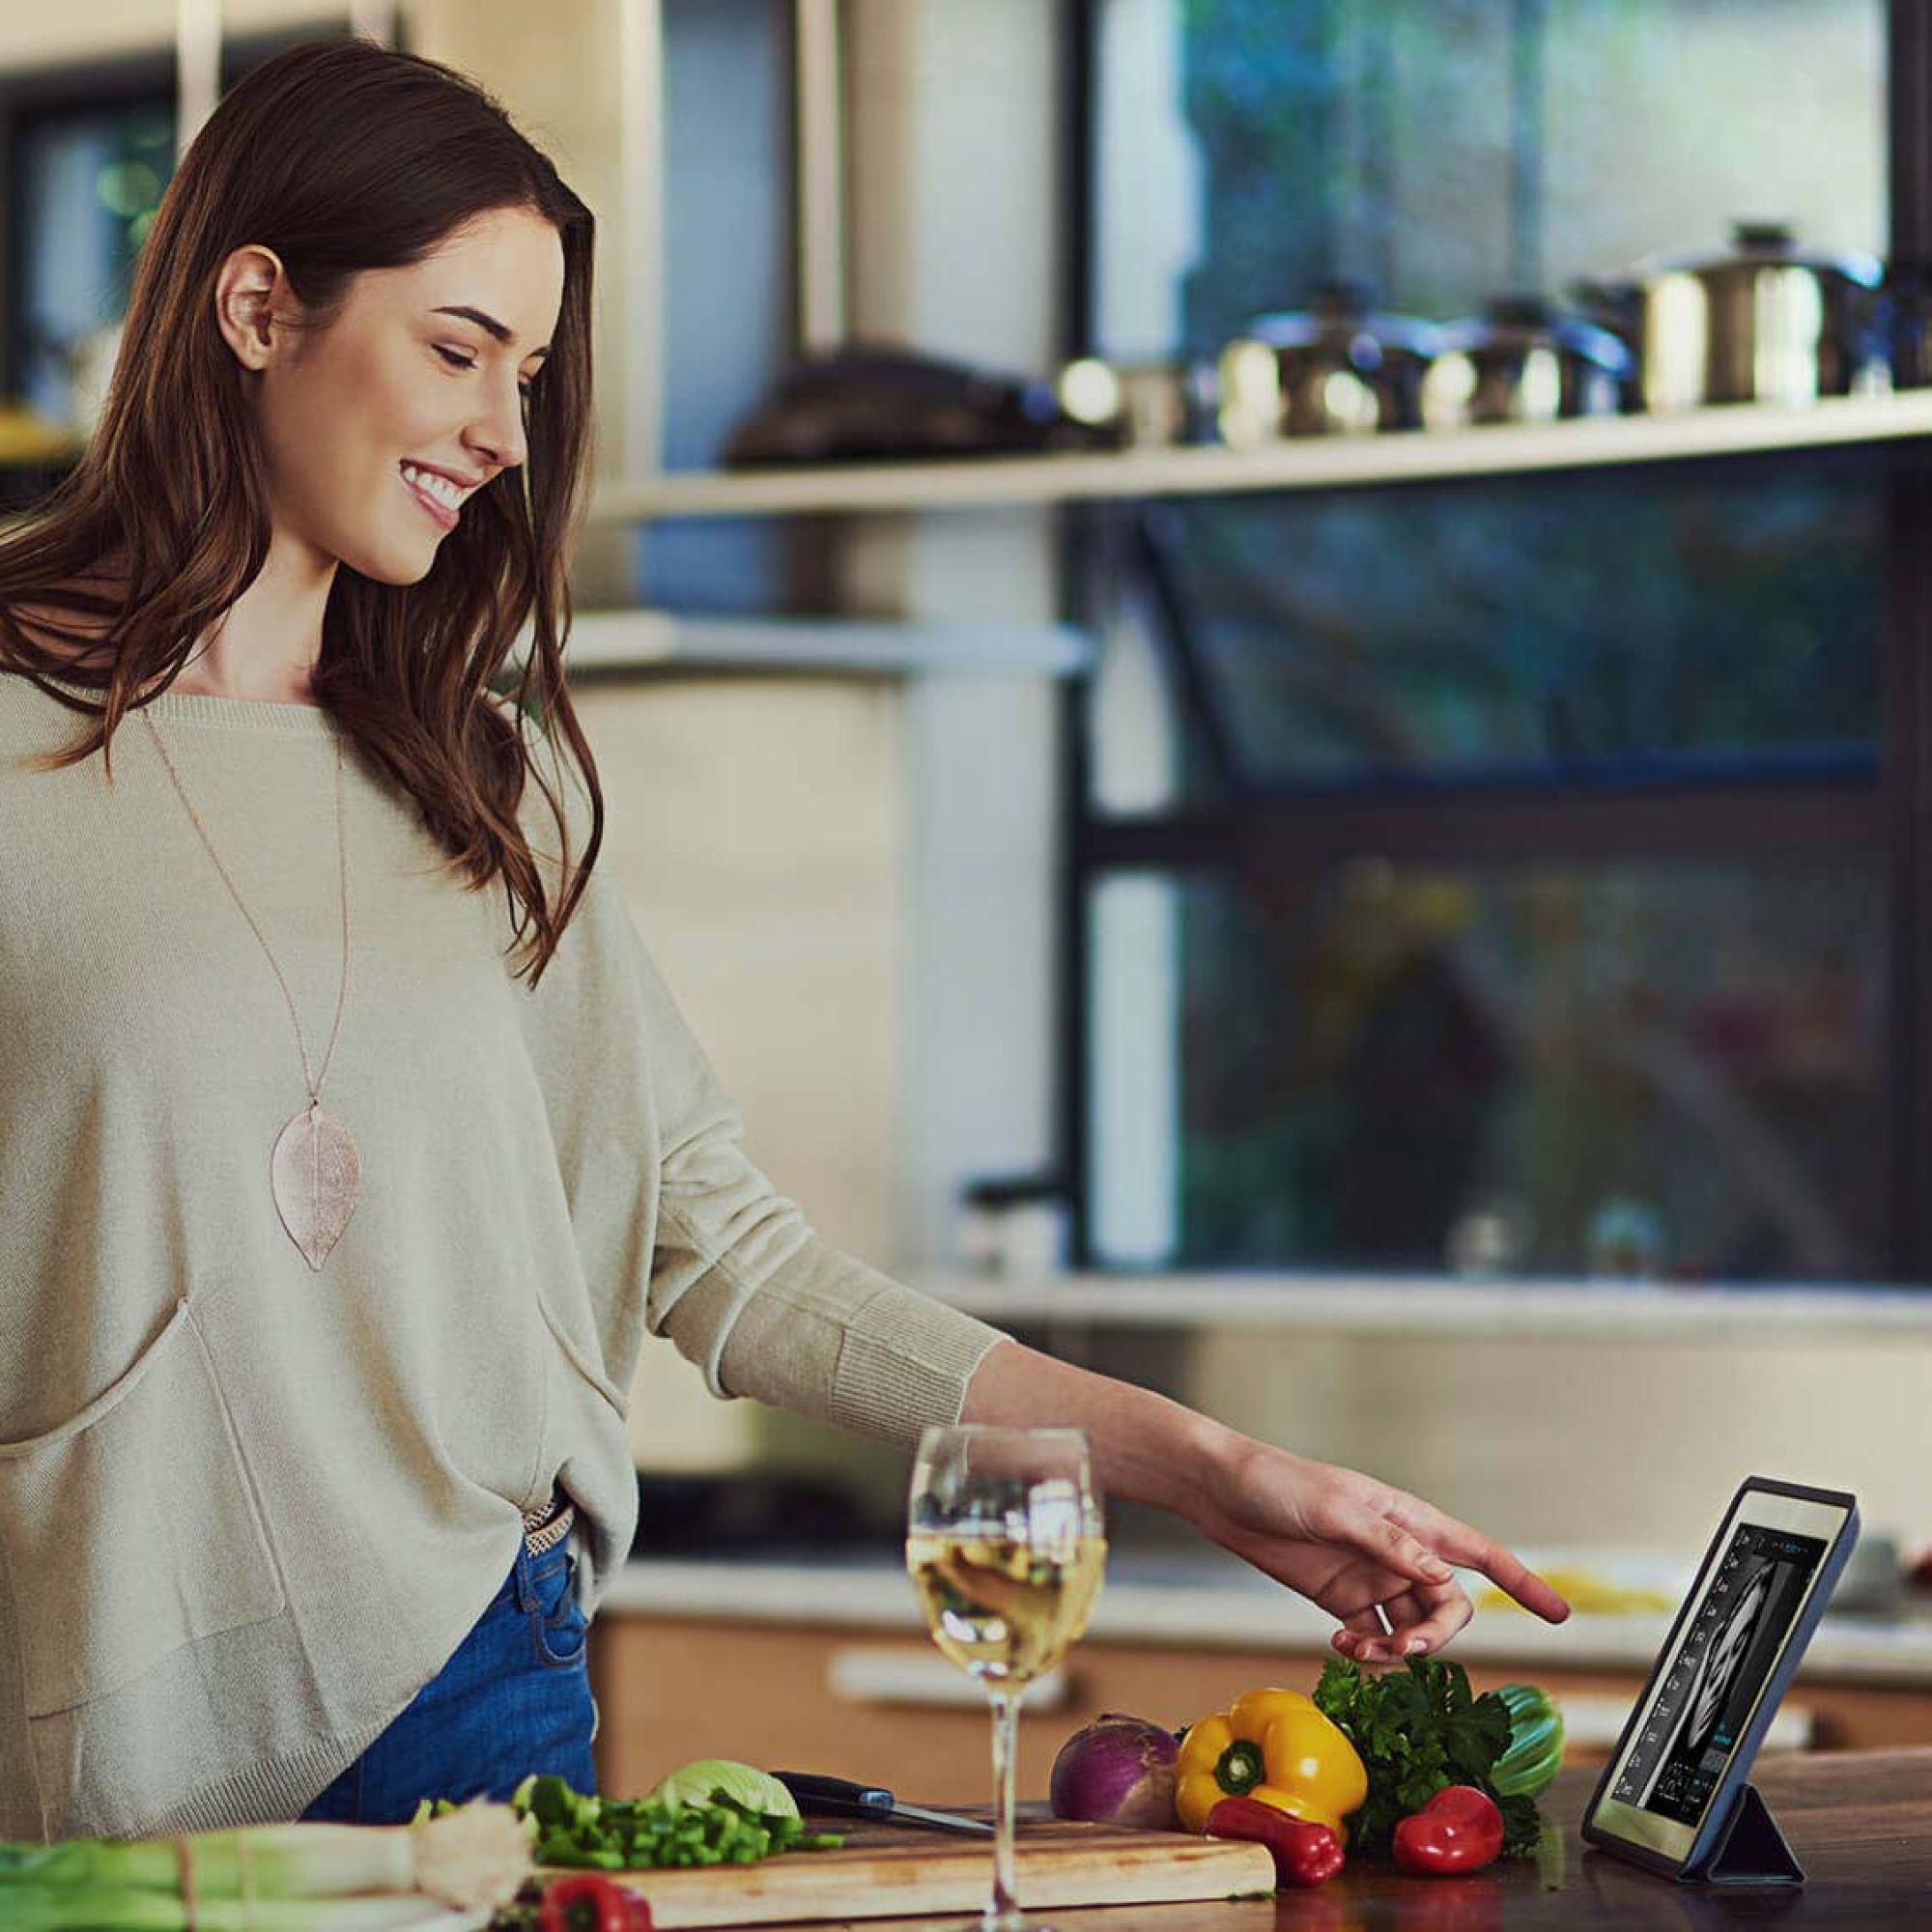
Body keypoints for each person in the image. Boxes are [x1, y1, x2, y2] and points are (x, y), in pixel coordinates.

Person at [0, 38, 1567, 1845]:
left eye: (528, 373)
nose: (505, 437)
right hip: (92, 1714)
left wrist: (1208, 1469)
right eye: (455, 351)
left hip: (468, 1684)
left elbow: (724, 1252)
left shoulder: (484, 779)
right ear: (259, 307)